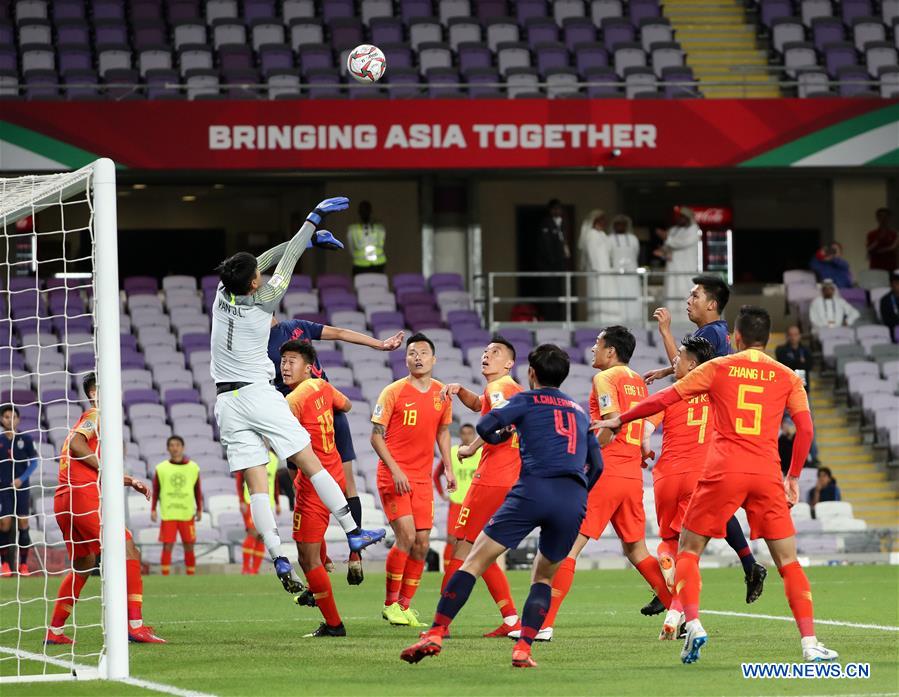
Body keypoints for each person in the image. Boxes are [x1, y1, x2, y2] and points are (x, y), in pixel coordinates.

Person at [594, 306, 839, 664]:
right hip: (767, 474)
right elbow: (805, 429)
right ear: (768, 339)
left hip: (722, 471)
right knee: (788, 561)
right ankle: (810, 644)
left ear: (735, 338)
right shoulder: (787, 376)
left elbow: (665, 397)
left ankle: (691, 623)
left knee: (689, 550)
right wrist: (794, 476)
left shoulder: (718, 367)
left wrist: (622, 419)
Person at [210, 195, 384, 594]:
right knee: (311, 462)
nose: (261, 274)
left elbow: (265, 261)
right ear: (255, 283)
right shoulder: (264, 302)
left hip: (226, 402)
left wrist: (304, 241)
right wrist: (311, 222)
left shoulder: (223, 295)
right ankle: (354, 533)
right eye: (258, 274)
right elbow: (281, 267)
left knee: (257, 484)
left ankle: (277, 556)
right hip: (257, 393)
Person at [399, 344, 603, 669]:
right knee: (543, 578)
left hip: (532, 489)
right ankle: (523, 648)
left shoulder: (523, 399)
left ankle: (436, 632)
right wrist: (578, 493)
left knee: (472, 560)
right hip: (572, 498)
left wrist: (494, 437)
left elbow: (484, 426)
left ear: (531, 373)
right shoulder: (579, 412)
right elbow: (598, 465)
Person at [532, 327, 672, 642]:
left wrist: (584, 461)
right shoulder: (637, 380)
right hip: (632, 476)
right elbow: (648, 415)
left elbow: (612, 421)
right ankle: (678, 610)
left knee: (568, 548)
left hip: (606, 471)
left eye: (598, 343)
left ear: (610, 351)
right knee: (636, 549)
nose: (593, 348)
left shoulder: (604, 378)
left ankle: (544, 623)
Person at [644, 275, 766, 612]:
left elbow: (688, 370)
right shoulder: (717, 334)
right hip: (717, 421)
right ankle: (747, 565)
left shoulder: (708, 334)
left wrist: (666, 333)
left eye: (695, 295)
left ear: (711, 303)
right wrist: (666, 372)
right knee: (711, 503)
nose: (689, 300)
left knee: (704, 507)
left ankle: (678, 594)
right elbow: (687, 368)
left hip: (710, 428)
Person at [269, 317, 404, 584]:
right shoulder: (253, 342)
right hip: (294, 418)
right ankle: (319, 552)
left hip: (328, 411)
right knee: (303, 487)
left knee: (347, 484)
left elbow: (340, 332)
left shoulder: (296, 326)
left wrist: (380, 345)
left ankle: (356, 557)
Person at [46, 373, 165, 644]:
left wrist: (127, 479)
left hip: (64, 499)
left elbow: (84, 460)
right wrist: (109, 469)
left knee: (83, 565)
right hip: (82, 497)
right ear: (93, 393)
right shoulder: (95, 415)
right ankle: (134, 625)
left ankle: (54, 630)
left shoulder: (91, 419)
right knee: (128, 547)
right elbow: (77, 445)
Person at [439, 337, 523, 637]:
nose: (487, 355)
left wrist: (473, 447)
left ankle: (441, 623)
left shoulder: (498, 388)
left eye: (495, 352)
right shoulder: (511, 390)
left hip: (491, 479)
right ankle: (512, 621)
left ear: (509, 363)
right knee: (481, 550)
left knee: (461, 548)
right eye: (485, 351)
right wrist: (461, 390)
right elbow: (485, 407)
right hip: (511, 480)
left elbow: (502, 425)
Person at [371, 333, 455, 627]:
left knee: (421, 543)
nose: (416, 357)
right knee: (406, 536)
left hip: (420, 479)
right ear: (405, 359)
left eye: (422, 353)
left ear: (434, 359)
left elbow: (443, 431)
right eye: (411, 353)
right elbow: (376, 437)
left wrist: (448, 466)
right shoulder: (392, 392)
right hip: (394, 475)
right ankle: (389, 604)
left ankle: (405, 606)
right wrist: (395, 470)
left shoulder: (442, 393)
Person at [641, 335, 717, 640]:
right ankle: (676, 612)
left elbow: (646, 430)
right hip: (699, 477)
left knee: (668, 541)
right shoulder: (715, 391)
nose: (674, 361)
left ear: (693, 364)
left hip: (666, 476)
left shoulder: (671, 392)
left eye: (679, 356)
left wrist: (645, 448)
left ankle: (674, 602)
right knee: (691, 554)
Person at [281, 340, 357, 637]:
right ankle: (319, 580)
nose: (285, 366)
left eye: (292, 361)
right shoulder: (322, 386)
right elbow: (347, 405)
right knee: (315, 551)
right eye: (283, 361)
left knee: (306, 557)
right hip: (334, 474)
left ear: (308, 366)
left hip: (314, 484)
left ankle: (334, 624)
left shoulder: (293, 400)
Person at [150, 435, 202, 576]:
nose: (175, 448)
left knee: (189, 545)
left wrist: (200, 509)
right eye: (172, 445)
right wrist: (153, 509)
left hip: (187, 512)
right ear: (168, 448)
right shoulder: (161, 468)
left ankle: (191, 575)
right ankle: (165, 575)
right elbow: (156, 490)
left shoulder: (193, 467)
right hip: (169, 512)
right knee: (168, 545)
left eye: (177, 445)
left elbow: (197, 490)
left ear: (183, 447)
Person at [432, 423, 480, 572]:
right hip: (457, 503)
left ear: (474, 435)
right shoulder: (453, 452)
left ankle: (472, 571)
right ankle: (449, 572)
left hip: (475, 504)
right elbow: (437, 474)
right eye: (464, 433)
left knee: (478, 541)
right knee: (452, 539)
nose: (467, 436)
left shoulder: (481, 452)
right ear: (460, 435)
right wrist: (442, 494)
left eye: (470, 433)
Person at [0, 405, 37, 576]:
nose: (10, 420)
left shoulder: (25, 439)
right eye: (7, 417)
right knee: (4, 523)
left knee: (23, 522)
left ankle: (23, 565)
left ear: (18, 419)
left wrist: (21, 479)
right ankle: (5, 564)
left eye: (13, 417)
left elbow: (35, 462)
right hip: (3, 488)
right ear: (2, 419)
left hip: (22, 488)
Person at [236, 450, 281, 575]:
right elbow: (240, 478)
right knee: (252, 532)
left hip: (268, 503)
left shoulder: (274, 458)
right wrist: (241, 500)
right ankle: (245, 569)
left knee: (263, 537)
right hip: (251, 500)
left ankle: (254, 570)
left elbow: (274, 481)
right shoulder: (249, 452)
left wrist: (277, 502)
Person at [655, 207, 701, 314]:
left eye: (683, 217)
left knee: (685, 292)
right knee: (671, 292)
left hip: (686, 269)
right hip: (672, 268)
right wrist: (663, 252)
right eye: (679, 217)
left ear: (689, 218)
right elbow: (667, 247)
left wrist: (666, 237)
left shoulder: (694, 229)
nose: (680, 219)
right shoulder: (673, 230)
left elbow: (682, 243)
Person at [536, 199, 572, 321]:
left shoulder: (563, 224)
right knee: (549, 292)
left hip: (560, 265)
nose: (557, 211)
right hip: (549, 266)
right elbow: (546, 245)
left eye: (559, 208)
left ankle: (559, 317)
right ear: (550, 210)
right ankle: (549, 318)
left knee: (560, 292)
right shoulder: (545, 223)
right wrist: (553, 262)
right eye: (555, 208)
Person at [577, 208, 612, 324]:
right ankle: (598, 318)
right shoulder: (591, 234)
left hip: (605, 268)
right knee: (598, 292)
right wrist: (597, 268)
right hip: (597, 270)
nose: (603, 223)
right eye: (601, 220)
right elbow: (592, 253)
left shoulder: (602, 234)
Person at [609, 214, 642, 324]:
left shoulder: (633, 239)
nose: (620, 227)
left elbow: (636, 252)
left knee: (632, 295)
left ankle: (634, 319)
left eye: (623, 224)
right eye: (618, 224)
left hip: (631, 273)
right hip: (616, 274)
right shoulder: (610, 239)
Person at [347, 200, 387, 275]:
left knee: (379, 285)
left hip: (378, 264)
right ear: (359, 212)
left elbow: (382, 243)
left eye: (366, 210)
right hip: (360, 266)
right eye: (362, 210)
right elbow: (351, 248)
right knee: (360, 284)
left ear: (370, 211)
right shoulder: (353, 229)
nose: (364, 212)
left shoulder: (379, 227)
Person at [879, 270, 899, 341]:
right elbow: (887, 321)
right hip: (893, 332)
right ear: (891, 284)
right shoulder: (885, 300)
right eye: (897, 283)